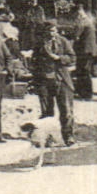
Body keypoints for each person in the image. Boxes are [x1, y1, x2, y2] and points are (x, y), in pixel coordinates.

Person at [32, 19, 77, 147]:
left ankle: (68, 136)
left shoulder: (63, 41)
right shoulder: (40, 44)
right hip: (45, 80)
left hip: (61, 78)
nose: (52, 34)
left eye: (54, 31)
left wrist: (60, 58)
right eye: (49, 31)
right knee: (47, 111)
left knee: (66, 110)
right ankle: (47, 137)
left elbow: (72, 57)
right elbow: (34, 61)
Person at [72, 5, 97, 100]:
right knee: (85, 71)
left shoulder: (82, 22)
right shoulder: (89, 20)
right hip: (89, 50)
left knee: (83, 71)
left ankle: (86, 94)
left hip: (84, 50)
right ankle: (83, 92)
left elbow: (76, 36)